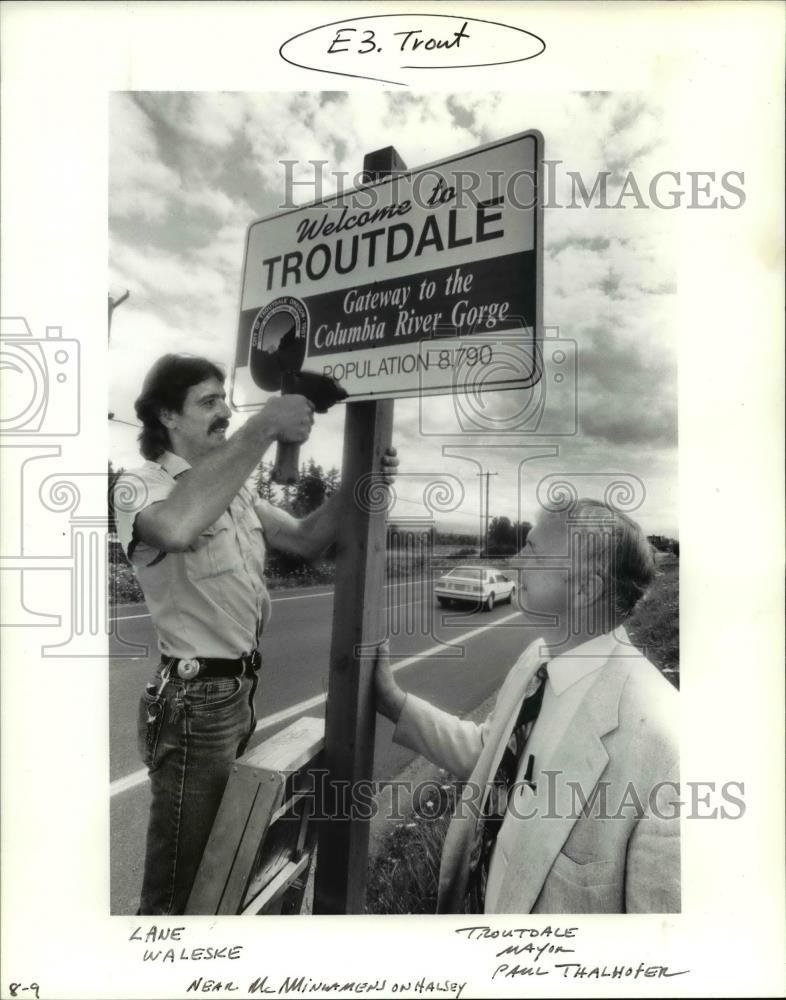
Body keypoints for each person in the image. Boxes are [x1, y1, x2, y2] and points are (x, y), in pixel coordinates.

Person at [114, 353, 397, 915]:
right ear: (168, 416)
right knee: (178, 894)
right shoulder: (136, 487)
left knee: (223, 872)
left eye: (226, 399)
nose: (224, 411)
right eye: (208, 401)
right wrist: (264, 425)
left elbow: (306, 539)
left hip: (235, 694)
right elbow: (176, 526)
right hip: (192, 703)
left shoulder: (237, 488)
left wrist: (364, 481)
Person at [376, 498, 679, 914]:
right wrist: (393, 703)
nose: (515, 563)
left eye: (533, 551)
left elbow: (659, 945)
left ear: (585, 588)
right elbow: (491, 755)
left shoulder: (665, 743)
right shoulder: (536, 660)